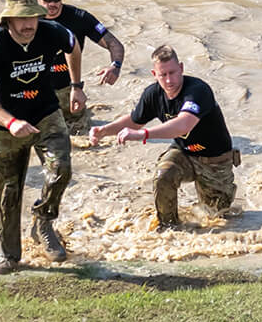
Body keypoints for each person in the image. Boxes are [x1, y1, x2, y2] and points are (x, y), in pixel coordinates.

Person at [0, 0, 86, 275]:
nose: (28, 25)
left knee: (61, 169)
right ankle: (9, 256)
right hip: (5, 124)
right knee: (8, 193)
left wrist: (76, 85)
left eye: (33, 17)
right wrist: (10, 122)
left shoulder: (51, 31)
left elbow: (73, 45)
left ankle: (42, 221)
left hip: (45, 112)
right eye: (21, 19)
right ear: (8, 20)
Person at [89, 45, 238, 228]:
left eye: (173, 73)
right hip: (184, 153)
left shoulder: (198, 91)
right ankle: (169, 228)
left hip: (214, 160)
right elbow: (135, 121)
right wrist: (104, 131)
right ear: (154, 74)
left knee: (217, 218)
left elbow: (183, 125)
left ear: (181, 68)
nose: (169, 80)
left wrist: (143, 135)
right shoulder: (153, 94)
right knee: (163, 176)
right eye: (163, 75)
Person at [36, 0, 125, 131]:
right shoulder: (27, 19)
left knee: (80, 133)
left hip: (68, 91)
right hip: (35, 90)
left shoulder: (79, 18)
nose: (52, 4)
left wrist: (115, 66)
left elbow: (114, 44)